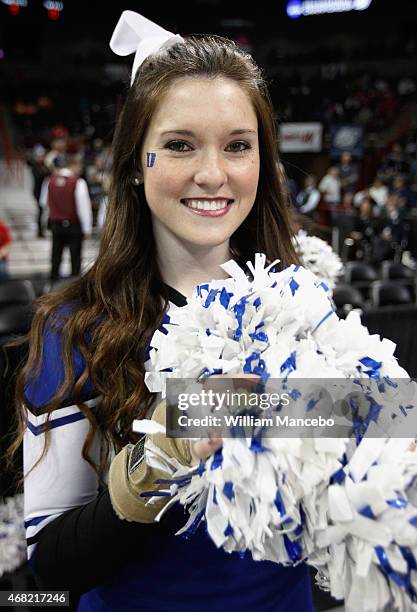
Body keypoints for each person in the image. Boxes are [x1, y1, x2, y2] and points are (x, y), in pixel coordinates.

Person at [15, 11, 313, 612]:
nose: (213, 173)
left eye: (238, 146)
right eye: (179, 145)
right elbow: (47, 565)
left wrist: (390, 428)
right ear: (132, 165)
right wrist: (160, 459)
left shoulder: (302, 302)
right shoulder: (71, 328)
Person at [40, 155, 93, 283]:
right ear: (74, 166)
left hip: (56, 225)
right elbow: (83, 208)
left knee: (55, 257)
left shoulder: (49, 180)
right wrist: (87, 229)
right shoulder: (78, 182)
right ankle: (75, 289)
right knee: (75, 258)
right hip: (73, 225)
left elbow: (43, 203)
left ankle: (52, 285)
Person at [27, 144, 50, 238]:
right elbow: (39, 176)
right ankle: (40, 231)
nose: (41, 158)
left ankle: (46, 228)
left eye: (42, 156)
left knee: (45, 211)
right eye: (39, 156)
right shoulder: (35, 166)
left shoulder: (44, 165)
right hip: (38, 192)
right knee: (40, 211)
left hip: (45, 191)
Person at [0, 218, 12, 282]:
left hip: (1, 258)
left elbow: (8, 244)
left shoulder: (2, 227)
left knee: (2, 270)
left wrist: (1, 254)